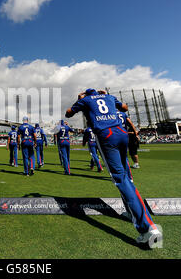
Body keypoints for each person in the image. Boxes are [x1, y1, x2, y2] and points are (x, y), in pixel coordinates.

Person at [65, 88, 161, 246]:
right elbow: (125, 108)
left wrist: (79, 99)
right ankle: (131, 212)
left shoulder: (86, 100)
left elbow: (68, 113)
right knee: (127, 177)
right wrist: (105, 96)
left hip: (106, 136)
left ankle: (147, 228)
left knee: (121, 180)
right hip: (121, 134)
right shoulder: (108, 97)